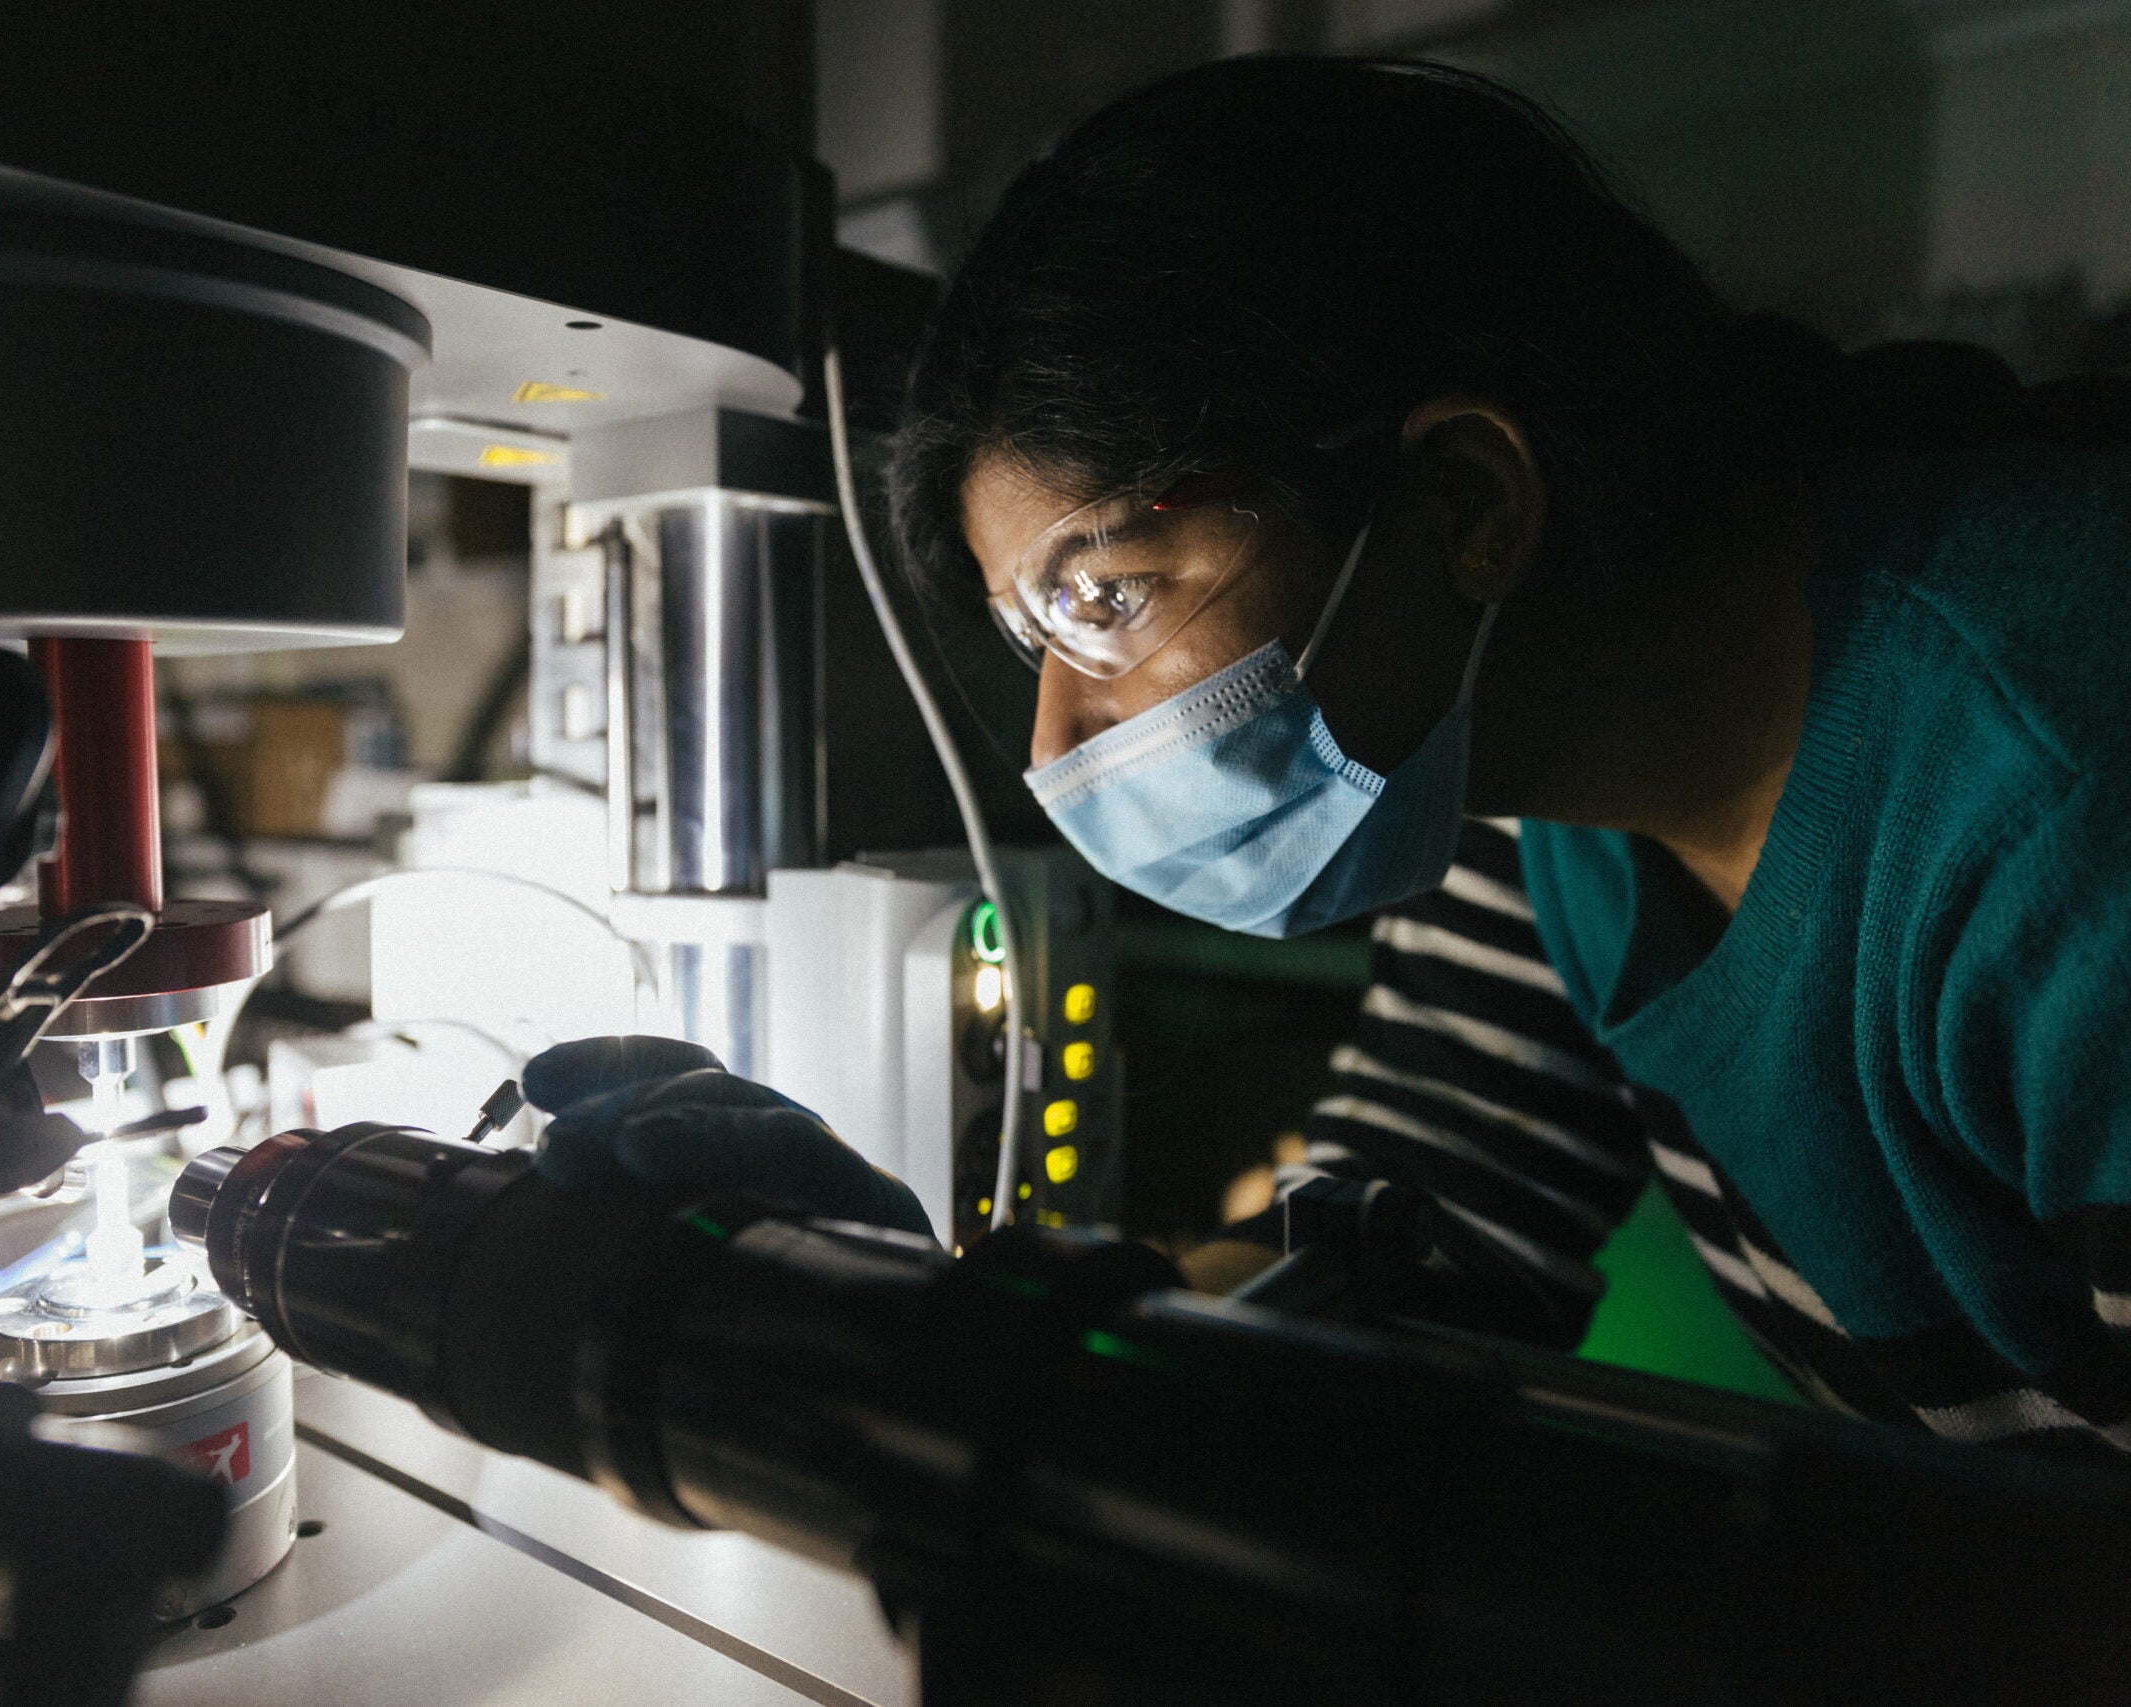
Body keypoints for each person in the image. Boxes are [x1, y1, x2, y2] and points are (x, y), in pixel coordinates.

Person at [525, 56, 2131, 1462]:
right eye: (1038, 645)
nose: (1057, 746)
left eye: (1107, 600)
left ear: (1463, 503)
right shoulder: (1533, 789)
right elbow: (1414, 1237)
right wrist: (937, 1314)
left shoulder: (2056, 804)